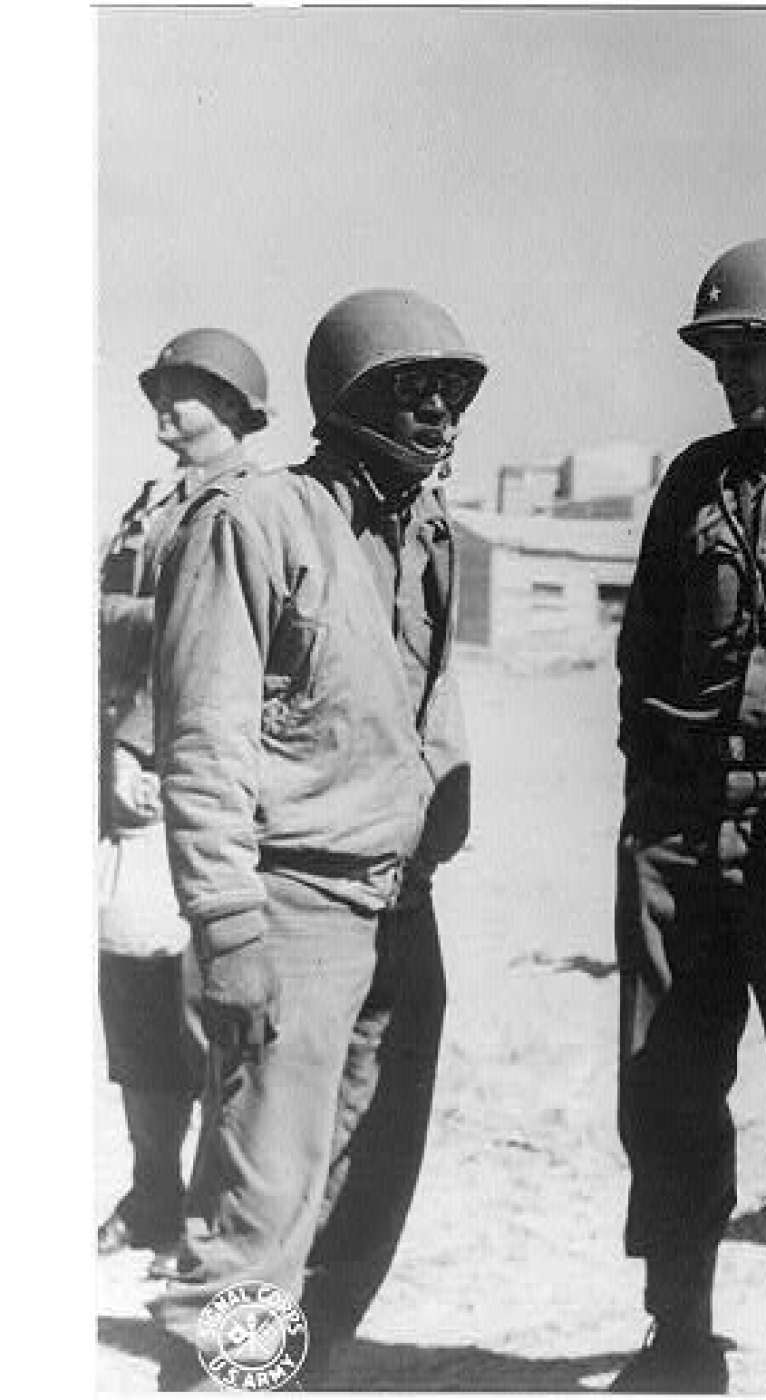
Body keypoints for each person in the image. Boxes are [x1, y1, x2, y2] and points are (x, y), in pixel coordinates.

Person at [148, 289, 483, 1385]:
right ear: (346, 400)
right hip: (291, 909)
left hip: (400, 908)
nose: (436, 412)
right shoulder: (253, 518)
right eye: (409, 389)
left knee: (370, 1183)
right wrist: (227, 923)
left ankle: (307, 1371)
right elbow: (202, 735)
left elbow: (428, 693)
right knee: (257, 1208)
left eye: (450, 390)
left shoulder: (428, 529)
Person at [611, 239, 766, 1395]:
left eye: (750, 350)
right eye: (719, 355)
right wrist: (649, 806)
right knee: (665, 1083)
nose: (731, 374)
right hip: (681, 819)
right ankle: (679, 1330)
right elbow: (642, 649)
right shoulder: (693, 480)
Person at [97, 329, 272, 1269]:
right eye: (160, 385)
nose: (166, 402)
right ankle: (153, 1190)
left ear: (238, 405)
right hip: (126, 782)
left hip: (190, 780)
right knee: (133, 993)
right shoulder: (151, 502)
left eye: (190, 388)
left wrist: (139, 749)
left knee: (206, 1006)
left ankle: (210, 1212)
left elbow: (200, 640)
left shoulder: (242, 504)